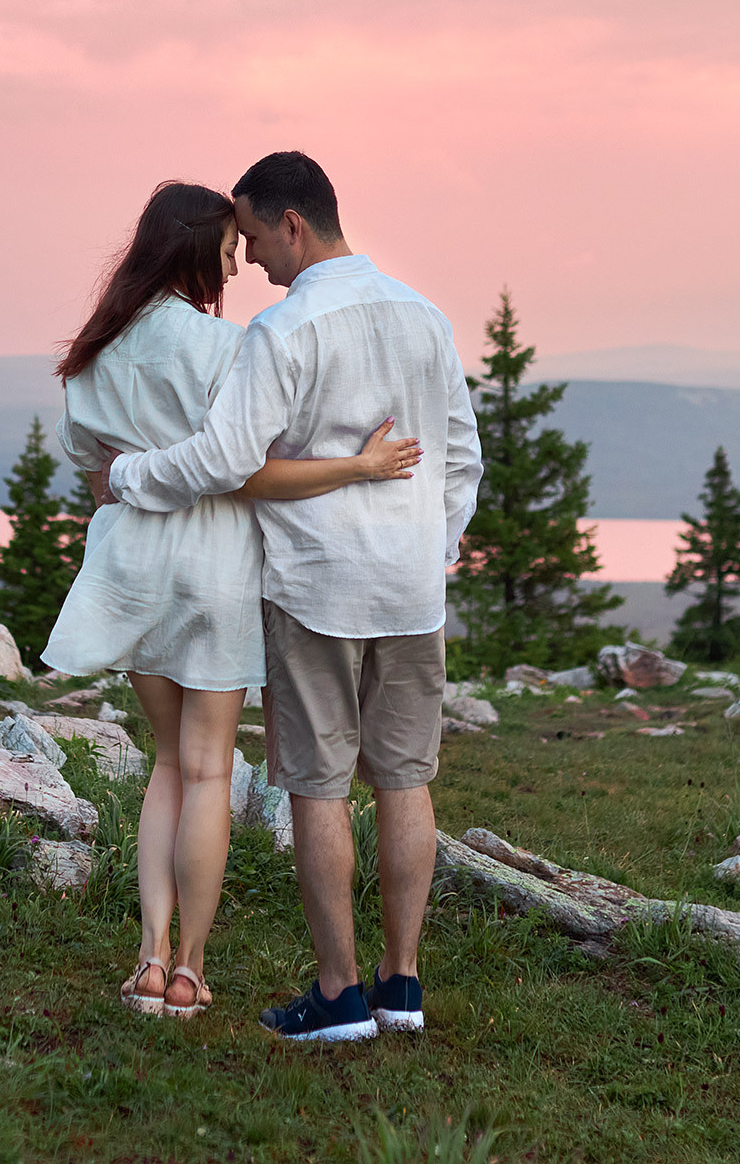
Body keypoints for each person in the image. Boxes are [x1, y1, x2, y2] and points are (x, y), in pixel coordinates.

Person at [100, 151, 482, 1044]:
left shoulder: (286, 330)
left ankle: (340, 995)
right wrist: (437, 544)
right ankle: (403, 987)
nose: (253, 259)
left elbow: (223, 461)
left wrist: (126, 476)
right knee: (406, 781)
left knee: (317, 787)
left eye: (256, 236)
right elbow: (460, 453)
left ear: (293, 225)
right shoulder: (423, 316)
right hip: (412, 589)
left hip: (317, 588)